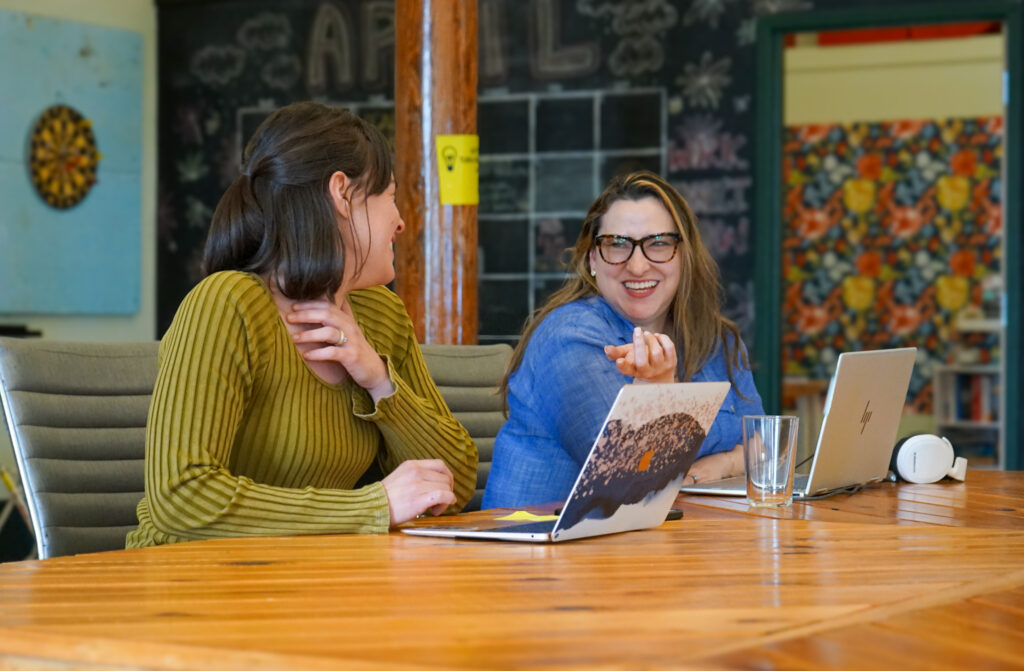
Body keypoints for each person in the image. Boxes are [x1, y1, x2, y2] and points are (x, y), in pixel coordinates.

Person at [127, 102, 477, 548]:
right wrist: (372, 508)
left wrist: (380, 381)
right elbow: (179, 497)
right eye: (389, 196)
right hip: (190, 589)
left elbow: (455, 485)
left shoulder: (381, 315)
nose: (401, 221)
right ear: (342, 194)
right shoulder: (227, 304)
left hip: (312, 582)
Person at [481, 171, 763, 508]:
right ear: (593, 259)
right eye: (617, 245)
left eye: (658, 243)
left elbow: (764, 448)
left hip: (665, 543)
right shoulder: (569, 339)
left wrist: (710, 468)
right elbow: (633, 475)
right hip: (541, 553)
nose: (638, 266)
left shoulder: (719, 341)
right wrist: (731, 456)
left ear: (684, 256)